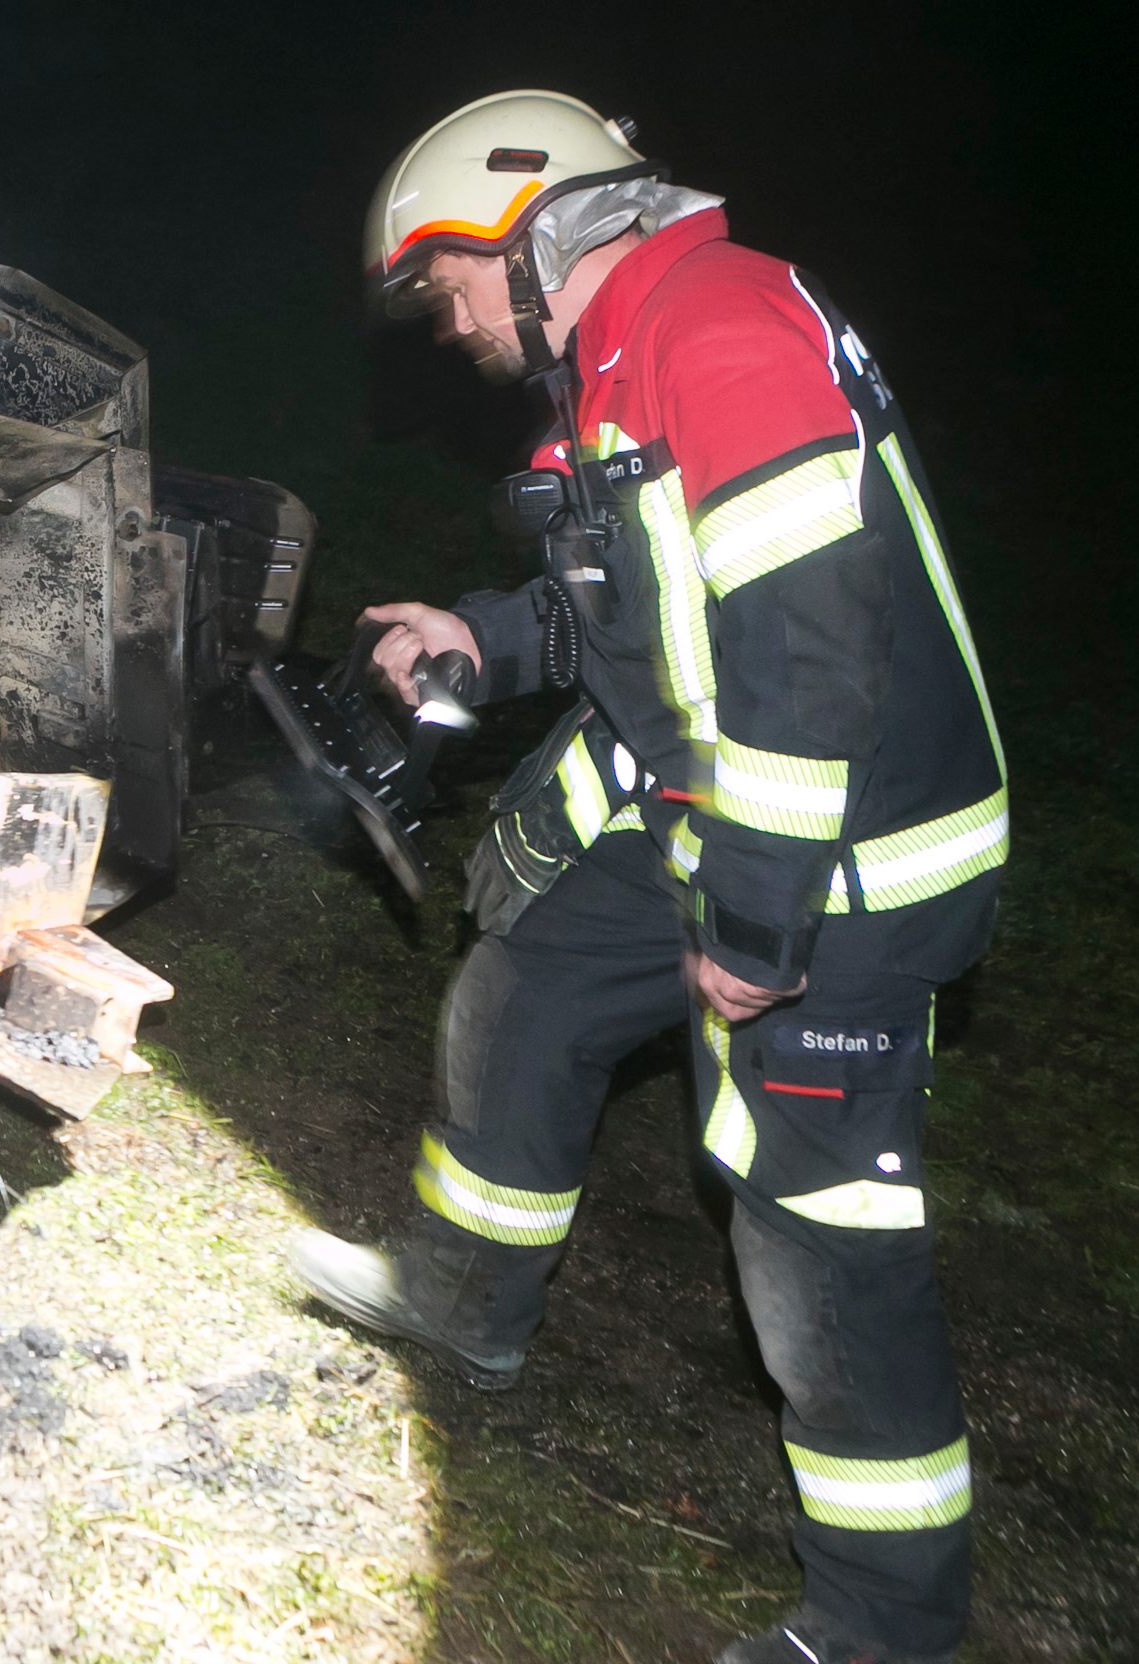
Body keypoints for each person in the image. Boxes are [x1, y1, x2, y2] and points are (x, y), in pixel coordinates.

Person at [291, 92, 1006, 1664]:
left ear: (530, 225)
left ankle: (883, 1627)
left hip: (839, 864)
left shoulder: (720, 322)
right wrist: (471, 633)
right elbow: (622, 607)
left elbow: (806, 645)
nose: (448, 322)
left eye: (448, 285)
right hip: (717, 813)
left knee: (815, 1229)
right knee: (527, 973)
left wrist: (759, 918)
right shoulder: (621, 357)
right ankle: (461, 1304)